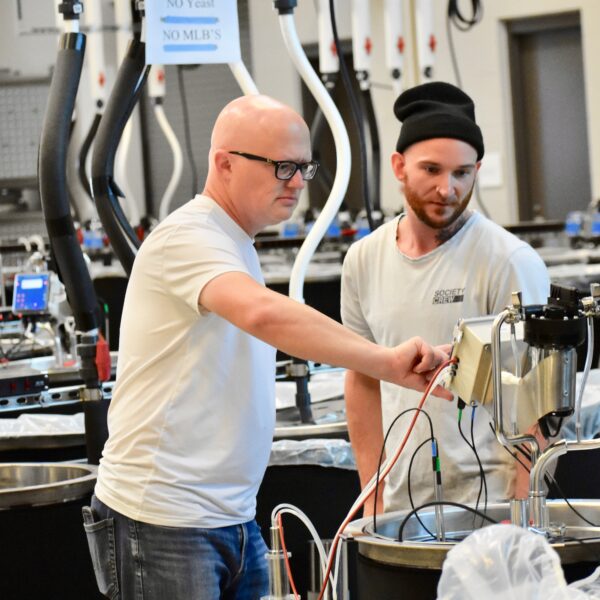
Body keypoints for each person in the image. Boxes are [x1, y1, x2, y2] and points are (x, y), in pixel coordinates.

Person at [83, 94, 450, 600]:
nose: (298, 182)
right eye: (282, 167)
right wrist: (386, 362)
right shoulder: (188, 237)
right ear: (224, 164)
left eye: (303, 166)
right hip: (164, 520)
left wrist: (386, 361)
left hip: (231, 518)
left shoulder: (235, 241)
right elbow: (263, 314)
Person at [341, 81, 551, 516]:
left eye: (462, 173)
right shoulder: (363, 259)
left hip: (489, 505)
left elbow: (537, 397)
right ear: (399, 167)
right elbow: (362, 379)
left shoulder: (508, 260)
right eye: (431, 170)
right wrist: (372, 495)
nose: (447, 188)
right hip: (399, 503)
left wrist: (524, 508)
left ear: (477, 168)